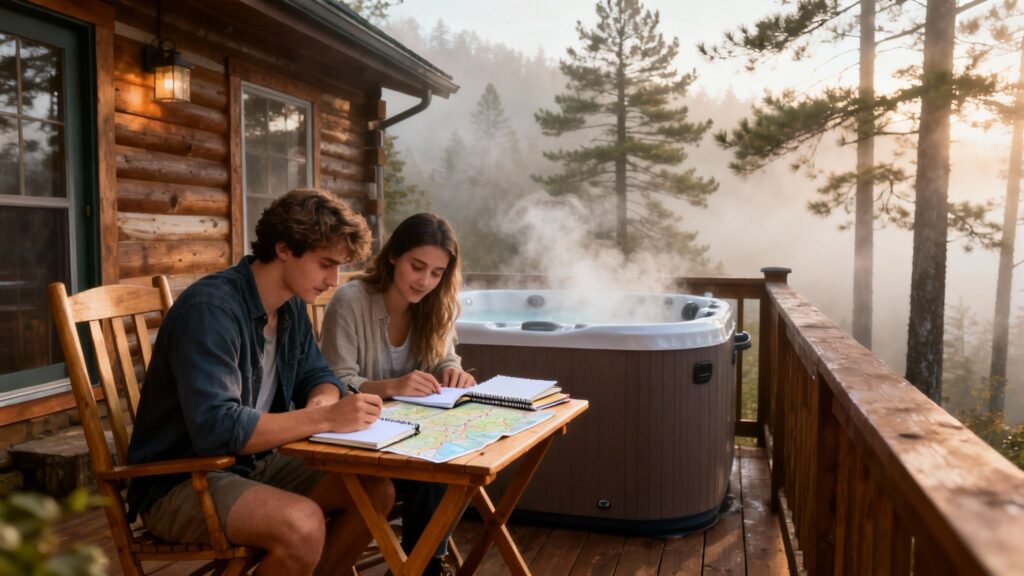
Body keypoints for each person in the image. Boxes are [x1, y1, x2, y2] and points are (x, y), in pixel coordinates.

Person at [126, 189, 393, 575]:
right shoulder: (211, 310)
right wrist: (324, 420)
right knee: (302, 524)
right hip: (184, 481)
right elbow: (217, 429)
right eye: (325, 264)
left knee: (374, 490)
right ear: (284, 248)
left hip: (253, 464)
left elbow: (320, 375)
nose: (333, 280)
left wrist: (321, 401)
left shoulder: (290, 307)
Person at [320, 212, 475, 575]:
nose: (425, 281)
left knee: (457, 461)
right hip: (358, 445)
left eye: (437, 273)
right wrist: (391, 386)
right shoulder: (351, 301)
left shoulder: (437, 306)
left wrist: (454, 372)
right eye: (417, 266)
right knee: (435, 470)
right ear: (393, 255)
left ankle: (418, 565)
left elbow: (446, 358)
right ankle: (422, 566)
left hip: (409, 440)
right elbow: (333, 382)